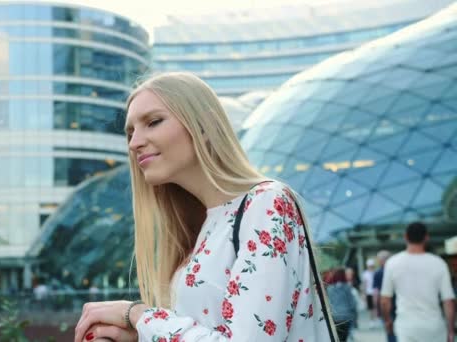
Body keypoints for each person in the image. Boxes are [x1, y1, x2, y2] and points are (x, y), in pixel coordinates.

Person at [73, 72, 336, 341]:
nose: (134, 143)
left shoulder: (267, 202)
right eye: (130, 132)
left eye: (153, 122)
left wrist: (138, 315)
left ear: (203, 125)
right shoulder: (200, 227)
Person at [380, 222, 455, 342]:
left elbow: (384, 301)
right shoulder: (439, 263)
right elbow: (448, 301)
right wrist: (451, 330)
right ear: (426, 238)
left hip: (406, 327)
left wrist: (388, 321)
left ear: (405, 237)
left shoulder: (392, 263)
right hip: (434, 328)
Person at [326, 268, 357, 342]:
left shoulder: (330, 288)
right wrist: (355, 315)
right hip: (346, 316)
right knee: (344, 338)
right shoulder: (347, 287)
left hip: (335, 316)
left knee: (336, 338)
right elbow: (352, 303)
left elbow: (329, 303)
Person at [373, 250, 396, 342]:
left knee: (389, 331)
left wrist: (376, 308)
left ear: (382, 260)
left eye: (378, 259)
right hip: (398, 304)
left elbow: (376, 293)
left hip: (385, 307)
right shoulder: (396, 271)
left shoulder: (378, 273)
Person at [361, 258, 377, 325]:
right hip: (369, 292)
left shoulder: (376, 273)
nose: (371, 267)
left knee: (376, 307)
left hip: (376, 292)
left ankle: (376, 319)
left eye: (372, 266)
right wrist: (363, 294)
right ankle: (372, 321)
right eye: (370, 266)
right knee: (371, 308)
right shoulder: (365, 274)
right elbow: (364, 284)